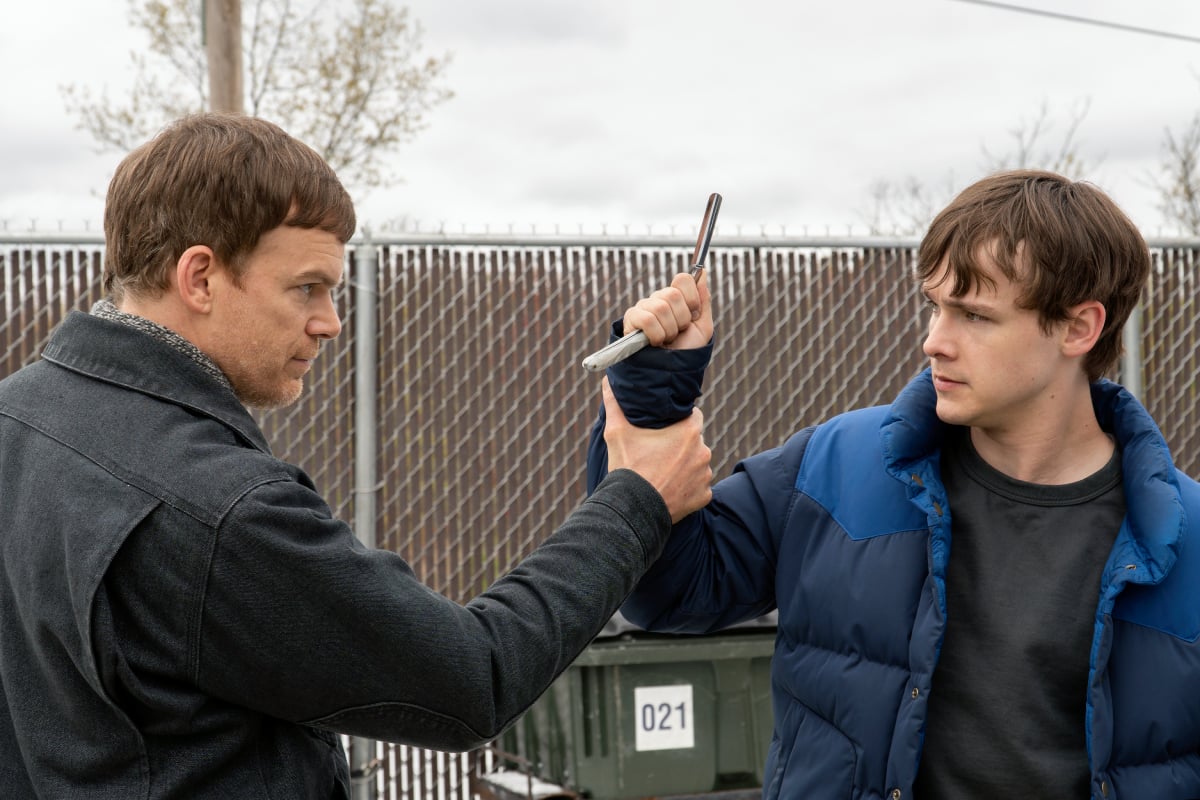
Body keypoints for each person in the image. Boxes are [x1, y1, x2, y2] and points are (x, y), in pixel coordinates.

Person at [0, 112, 713, 799]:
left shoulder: (15, 418)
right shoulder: (217, 512)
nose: (331, 323)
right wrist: (636, 500)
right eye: (306, 288)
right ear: (201, 279)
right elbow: (473, 677)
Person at [587, 170, 1200, 800]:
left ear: (1078, 328)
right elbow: (667, 591)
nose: (935, 341)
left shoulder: (1188, 540)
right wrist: (654, 394)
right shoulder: (833, 468)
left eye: (974, 315)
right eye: (936, 307)